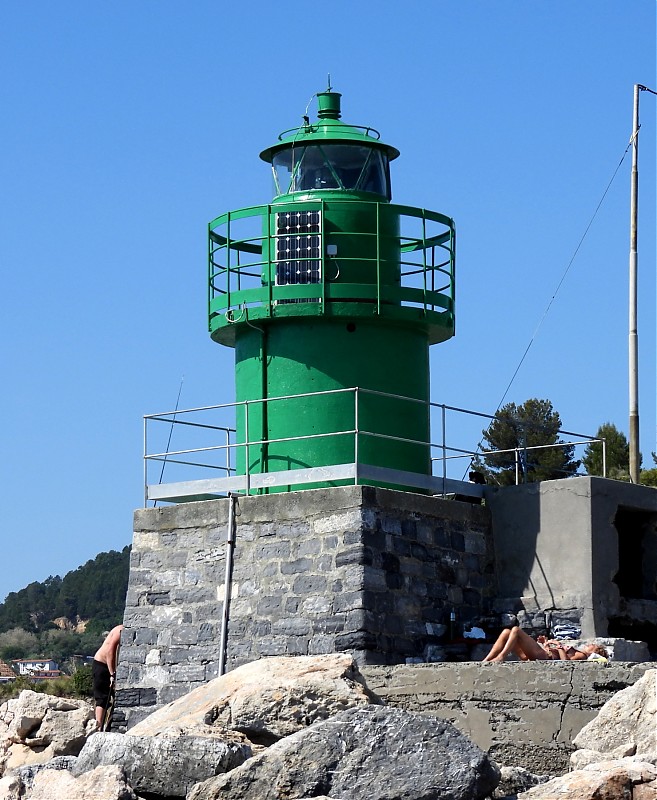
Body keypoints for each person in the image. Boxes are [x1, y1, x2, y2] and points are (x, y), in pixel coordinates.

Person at [482, 626, 608, 663]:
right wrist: (546, 644)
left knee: (516, 630)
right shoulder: (579, 651)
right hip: (544, 653)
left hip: (543, 656)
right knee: (506, 632)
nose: (591, 644)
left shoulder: (582, 656)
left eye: (594, 645)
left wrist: (559, 645)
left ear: (594, 652)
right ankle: (487, 660)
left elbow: (565, 662)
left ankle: (501, 656)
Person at [92, 624, 123, 726]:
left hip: (112, 667)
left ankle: (110, 725)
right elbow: (110, 652)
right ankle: (98, 726)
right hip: (102, 664)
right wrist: (112, 674)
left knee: (117, 698)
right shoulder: (120, 631)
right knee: (102, 698)